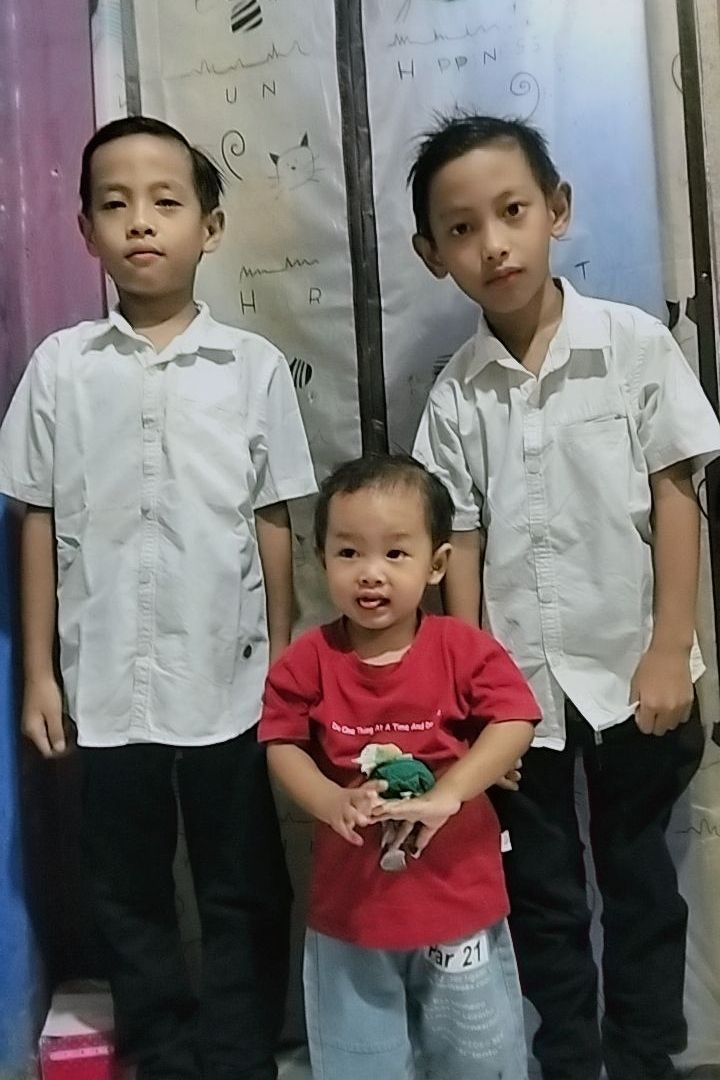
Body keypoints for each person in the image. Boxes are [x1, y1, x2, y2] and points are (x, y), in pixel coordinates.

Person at [0, 115, 317, 1080]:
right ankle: (167, 1053)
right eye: (115, 203)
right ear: (85, 230)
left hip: (229, 675)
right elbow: (37, 519)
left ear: (209, 227)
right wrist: (41, 673)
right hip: (103, 683)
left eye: (165, 201)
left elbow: (273, 519)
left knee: (241, 880)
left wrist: (284, 660)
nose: (141, 221)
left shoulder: (253, 368)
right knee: (125, 883)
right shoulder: (61, 367)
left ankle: (240, 1053)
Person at [410, 112, 720, 1080]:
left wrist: (668, 646)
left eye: (512, 212)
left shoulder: (632, 346)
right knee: (540, 894)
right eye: (462, 228)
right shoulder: (456, 395)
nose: (493, 244)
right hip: (518, 700)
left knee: (641, 885)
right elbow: (460, 541)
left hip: (634, 671)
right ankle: (570, 1062)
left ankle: (645, 1058)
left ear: (558, 209)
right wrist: (471, 690)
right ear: (431, 253)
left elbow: (677, 494)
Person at [259, 453, 541, 1080]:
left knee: (477, 1060)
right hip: (352, 913)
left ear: (436, 564)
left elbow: (516, 719)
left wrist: (451, 791)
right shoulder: (309, 659)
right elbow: (281, 741)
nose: (371, 573)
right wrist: (329, 801)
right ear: (321, 559)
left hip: (458, 904)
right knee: (361, 1063)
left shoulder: (462, 648)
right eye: (349, 552)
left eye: (395, 553)